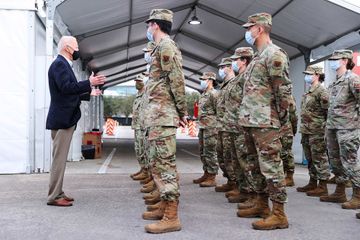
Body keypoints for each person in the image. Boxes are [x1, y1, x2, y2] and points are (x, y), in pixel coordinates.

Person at [237, 12, 293, 230]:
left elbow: (283, 91)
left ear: (259, 29)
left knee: (271, 167)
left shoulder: (274, 54)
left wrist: (282, 119)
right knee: (255, 166)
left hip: (266, 123)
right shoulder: (257, 58)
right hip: (252, 121)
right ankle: (261, 204)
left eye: (249, 28)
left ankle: (279, 213)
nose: (247, 32)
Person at [141, 9, 188, 234]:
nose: (147, 29)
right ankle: (163, 206)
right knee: (156, 164)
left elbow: (177, 80)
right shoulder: (160, 48)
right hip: (157, 116)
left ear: (156, 25)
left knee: (165, 166)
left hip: (164, 115)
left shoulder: (167, 47)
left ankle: (172, 216)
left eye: (149, 24)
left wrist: (182, 111)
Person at [46, 36, 105, 207]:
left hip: (64, 117)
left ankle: (58, 192)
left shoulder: (63, 64)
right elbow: (66, 89)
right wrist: (89, 82)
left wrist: (89, 93)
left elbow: (68, 91)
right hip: (62, 119)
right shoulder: (59, 64)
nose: (78, 49)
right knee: (59, 159)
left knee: (60, 158)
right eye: (76, 46)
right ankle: (54, 196)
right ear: (67, 48)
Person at [320, 49, 360, 211]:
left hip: (348, 128)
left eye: (336, 59)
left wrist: (355, 121)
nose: (332, 62)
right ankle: (340, 191)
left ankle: (358, 195)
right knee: (335, 161)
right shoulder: (335, 82)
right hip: (333, 127)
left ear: (345, 60)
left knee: (350, 162)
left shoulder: (353, 79)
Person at [224, 47, 255, 204]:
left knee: (246, 161)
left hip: (242, 127)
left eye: (236, 60)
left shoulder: (248, 78)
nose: (233, 63)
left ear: (244, 60)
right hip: (232, 126)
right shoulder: (238, 78)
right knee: (237, 161)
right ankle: (243, 190)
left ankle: (252, 193)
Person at [296, 66, 330, 196]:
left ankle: (323, 185)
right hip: (306, 130)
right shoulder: (309, 91)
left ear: (317, 75)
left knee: (319, 157)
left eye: (309, 74)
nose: (307, 76)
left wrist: (323, 129)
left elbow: (327, 112)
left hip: (317, 131)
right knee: (310, 157)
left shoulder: (322, 91)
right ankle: (312, 181)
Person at [214, 57, 238, 193]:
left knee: (231, 156)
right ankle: (230, 180)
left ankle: (236, 183)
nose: (221, 70)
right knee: (222, 155)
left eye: (223, 67)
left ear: (230, 67)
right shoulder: (224, 85)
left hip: (231, 126)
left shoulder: (235, 83)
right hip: (222, 125)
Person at [193, 72, 219, 187]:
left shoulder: (214, 94)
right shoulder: (203, 94)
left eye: (204, 79)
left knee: (210, 152)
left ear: (211, 80)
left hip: (211, 127)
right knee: (203, 151)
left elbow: (218, 111)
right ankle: (206, 173)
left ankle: (212, 176)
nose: (202, 81)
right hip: (203, 126)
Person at [130, 73, 147, 181]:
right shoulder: (138, 94)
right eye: (136, 81)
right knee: (138, 149)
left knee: (144, 149)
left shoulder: (147, 94)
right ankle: (142, 169)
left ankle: (146, 171)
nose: (137, 83)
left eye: (139, 81)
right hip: (137, 125)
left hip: (143, 126)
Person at [280, 94, 297, 187]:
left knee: (286, 153)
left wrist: (293, 128)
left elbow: (293, 115)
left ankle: (289, 177)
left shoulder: (288, 95)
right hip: (274, 129)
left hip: (285, 129)